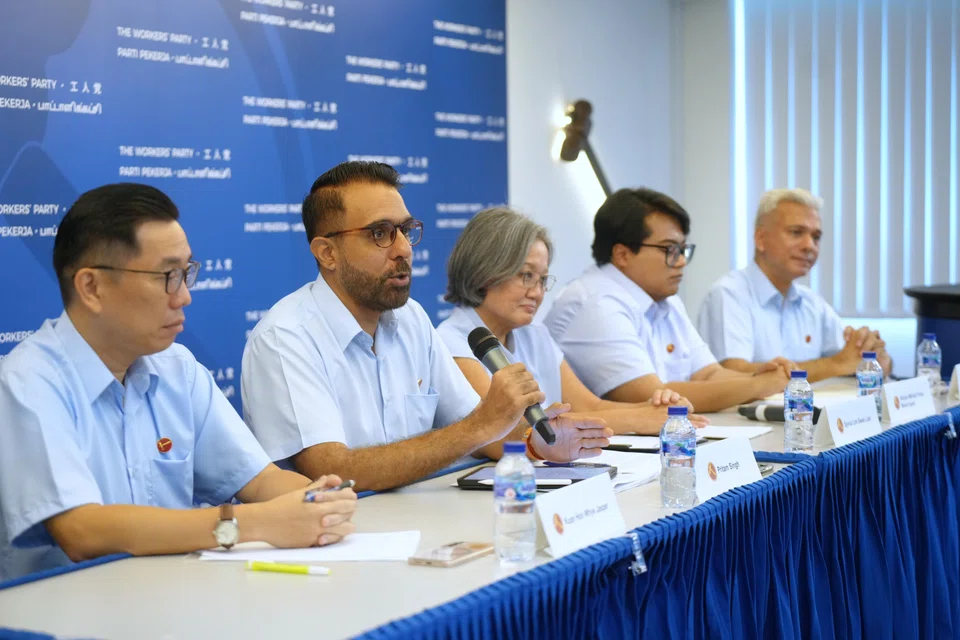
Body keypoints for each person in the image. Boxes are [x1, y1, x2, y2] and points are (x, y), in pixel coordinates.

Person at [0, 184, 357, 582]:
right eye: (168, 276)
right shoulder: (28, 382)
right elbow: (82, 531)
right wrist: (253, 523)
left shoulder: (177, 369)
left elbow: (260, 480)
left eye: (186, 273)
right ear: (91, 287)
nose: (184, 296)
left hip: (173, 594)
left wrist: (319, 503)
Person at [242, 162, 611, 492]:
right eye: (380, 233)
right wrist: (481, 426)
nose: (404, 248)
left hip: (420, 523)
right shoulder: (285, 337)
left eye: (405, 230)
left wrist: (539, 443)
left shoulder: (411, 319)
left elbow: (481, 429)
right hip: (337, 532)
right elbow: (332, 470)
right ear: (327, 253)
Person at [437, 207, 709, 435]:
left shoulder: (536, 334)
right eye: (527, 276)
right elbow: (507, 431)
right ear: (485, 271)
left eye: (543, 280)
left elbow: (588, 407)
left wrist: (659, 410)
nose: (537, 292)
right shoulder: (452, 342)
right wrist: (638, 420)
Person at [544, 188, 790, 413]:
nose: (681, 261)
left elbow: (708, 373)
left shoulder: (665, 300)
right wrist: (758, 385)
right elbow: (652, 397)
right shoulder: (595, 303)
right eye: (669, 250)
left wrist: (760, 376)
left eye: (683, 250)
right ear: (622, 254)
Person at [697, 188, 893, 382]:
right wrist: (836, 364)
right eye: (796, 233)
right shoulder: (728, 295)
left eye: (816, 237)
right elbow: (733, 373)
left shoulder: (811, 303)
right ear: (761, 239)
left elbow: (852, 358)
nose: (809, 245)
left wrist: (874, 355)